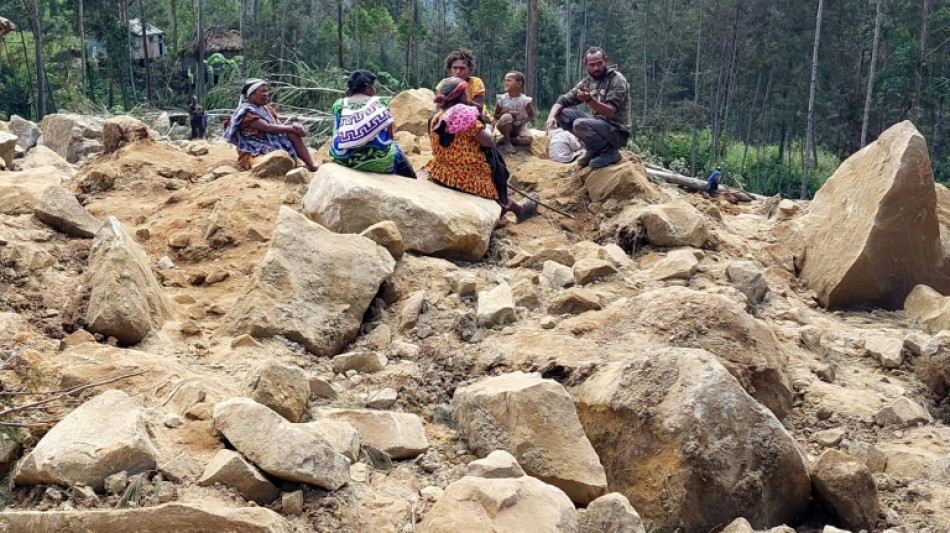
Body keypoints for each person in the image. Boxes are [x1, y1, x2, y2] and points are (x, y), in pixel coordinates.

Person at [424, 77, 538, 223]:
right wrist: (489, 128)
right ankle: (511, 207)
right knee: (496, 167)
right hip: (466, 174)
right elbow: (488, 141)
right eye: (465, 93)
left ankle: (512, 207)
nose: (468, 96)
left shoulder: (437, 116)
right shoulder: (463, 115)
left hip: (442, 170)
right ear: (460, 96)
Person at [545, 47, 631, 169]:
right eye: (592, 65)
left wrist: (589, 100)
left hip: (616, 131)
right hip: (598, 123)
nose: (596, 68)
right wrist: (551, 116)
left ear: (606, 60)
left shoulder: (616, 79)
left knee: (579, 124)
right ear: (585, 65)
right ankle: (594, 148)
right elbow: (563, 99)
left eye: (599, 63)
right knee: (561, 115)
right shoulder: (587, 82)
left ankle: (609, 151)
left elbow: (610, 112)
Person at [330, 70, 416, 178]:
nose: (375, 90)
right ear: (367, 88)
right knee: (395, 150)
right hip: (380, 160)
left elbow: (336, 131)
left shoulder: (339, 105)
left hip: (344, 159)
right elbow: (389, 134)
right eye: (373, 86)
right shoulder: (379, 102)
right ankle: (412, 180)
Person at [222, 78, 318, 171]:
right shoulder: (246, 111)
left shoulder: (266, 109)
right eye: (262, 91)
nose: (266, 94)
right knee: (271, 155)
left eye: (266, 91)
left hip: (268, 142)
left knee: (292, 133)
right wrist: (292, 127)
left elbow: (279, 126)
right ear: (251, 94)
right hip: (253, 148)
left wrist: (295, 129)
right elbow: (268, 128)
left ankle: (312, 165)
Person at [438, 50, 491, 120]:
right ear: (450, 69)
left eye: (462, 68)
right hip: (450, 117)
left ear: (469, 69)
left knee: (485, 129)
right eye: (455, 68)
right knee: (431, 120)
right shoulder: (444, 83)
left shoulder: (476, 82)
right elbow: (438, 107)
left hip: (475, 117)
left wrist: (467, 101)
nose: (458, 72)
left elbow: (480, 108)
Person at [493, 71, 535, 153]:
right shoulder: (501, 99)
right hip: (504, 125)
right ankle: (507, 142)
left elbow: (531, 115)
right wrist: (506, 114)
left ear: (519, 84)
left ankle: (506, 139)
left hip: (518, 128)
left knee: (528, 139)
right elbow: (495, 115)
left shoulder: (524, 100)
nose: (506, 83)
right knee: (507, 117)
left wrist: (520, 122)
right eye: (505, 81)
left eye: (509, 80)